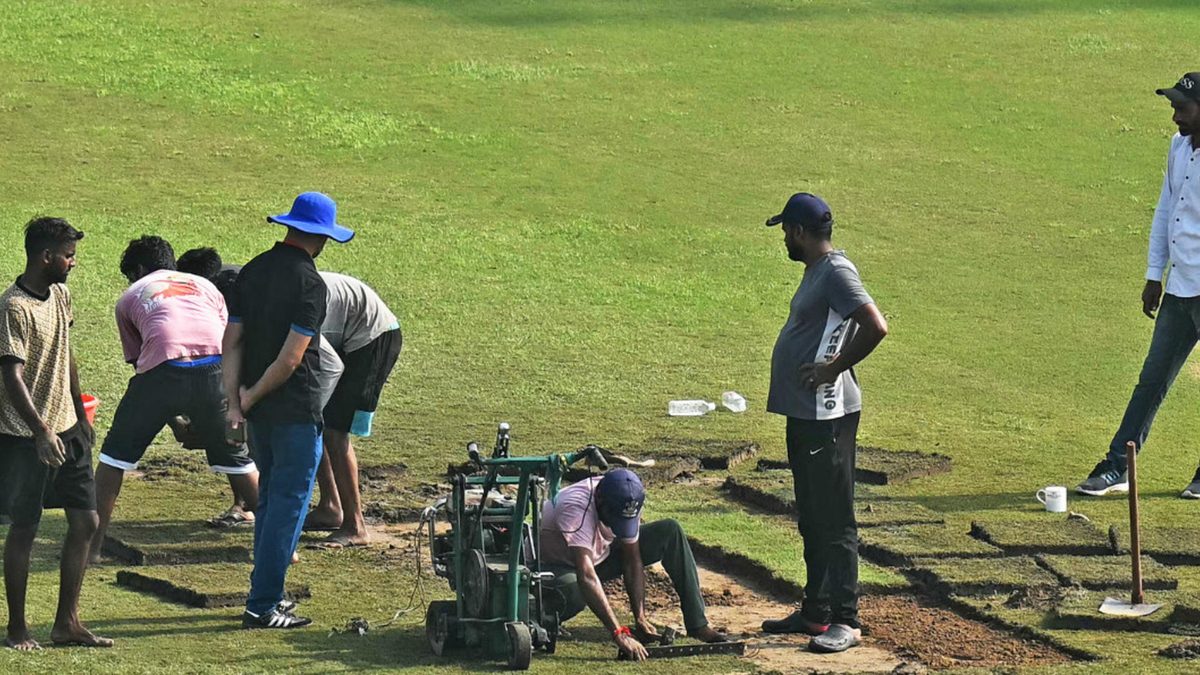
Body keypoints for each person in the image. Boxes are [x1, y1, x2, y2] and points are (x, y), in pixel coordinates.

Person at [758, 193, 888, 654]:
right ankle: (816, 611)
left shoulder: (836, 272)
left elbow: (876, 325)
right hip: (806, 413)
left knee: (835, 519)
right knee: (812, 516)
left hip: (828, 415)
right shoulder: (818, 271)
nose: (783, 242)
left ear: (798, 231)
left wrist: (832, 369)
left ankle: (847, 621)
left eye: (785, 232)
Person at [224, 191, 353, 629]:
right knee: (287, 506)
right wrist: (253, 396)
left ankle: (265, 594)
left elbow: (232, 342)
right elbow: (291, 359)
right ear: (322, 238)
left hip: (258, 414)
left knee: (270, 505)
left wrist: (236, 400)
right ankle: (262, 604)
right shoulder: (311, 284)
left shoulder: (252, 271)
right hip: (293, 410)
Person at [88, 236, 260, 564]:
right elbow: (225, 339)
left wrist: (174, 419)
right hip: (216, 369)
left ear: (139, 270)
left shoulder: (129, 297)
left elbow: (146, 365)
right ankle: (283, 548)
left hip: (162, 369)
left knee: (113, 459)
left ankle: (90, 548)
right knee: (238, 460)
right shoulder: (206, 286)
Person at [1078, 73, 1200, 499]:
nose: (1175, 116)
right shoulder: (1178, 149)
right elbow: (1167, 210)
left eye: (1182, 108)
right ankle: (1118, 466)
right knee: (1152, 379)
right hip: (1180, 288)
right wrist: (1155, 274)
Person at [0, 217, 112, 650]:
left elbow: (66, 356)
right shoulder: (13, 307)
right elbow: (11, 374)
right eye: (68, 256)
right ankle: (17, 629)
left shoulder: (61, 295)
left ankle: (67, 623)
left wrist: (79, 412)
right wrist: (41, 430)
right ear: (46, 256)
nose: (73, 263)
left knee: (86, 521)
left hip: (67, 429)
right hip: (24, 438)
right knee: (24, 527)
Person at [540, 469, 726, 662]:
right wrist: (619, 633)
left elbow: (632, 558)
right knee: (575, 587)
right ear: (600, 501)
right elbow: (586, 575)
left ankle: (698, 625)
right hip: (555, 567)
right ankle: (544, 620)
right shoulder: (575, 507)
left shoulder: (628, 498)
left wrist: (640, 617)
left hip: (599, 556)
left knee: (670, 531)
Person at [304, 272, 401, 549]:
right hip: (343, 335)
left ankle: (355, 526)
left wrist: (314, 408)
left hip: (373, 336)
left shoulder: (295, 304)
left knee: (334, 431)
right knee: (318, 422)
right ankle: (330, 507)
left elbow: (332, 365)